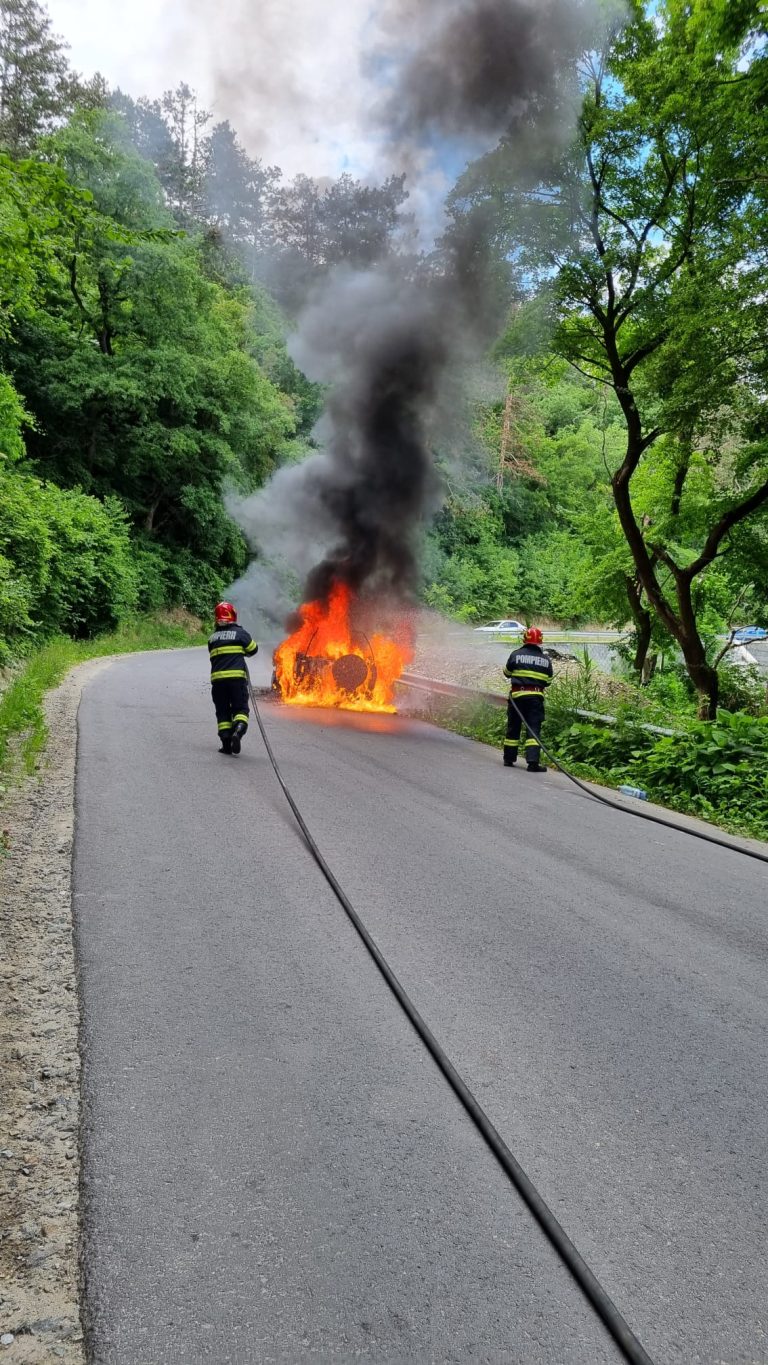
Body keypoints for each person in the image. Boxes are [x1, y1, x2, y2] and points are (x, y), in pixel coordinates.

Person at [208, 602, 258, 755]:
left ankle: (226, 745)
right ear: (233, 615)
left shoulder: (212, 638)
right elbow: (253, 649)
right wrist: (242, 651)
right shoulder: (240, 633)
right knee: (240, 709)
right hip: (236, 681)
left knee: (222, 712)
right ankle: (238, 731)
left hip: (218, 682)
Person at [502, 626, 553, 772]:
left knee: (513, 727)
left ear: (525, 639)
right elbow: (548, 681)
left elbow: (507, 673)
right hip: (535, 699)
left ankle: (509, 759)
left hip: (517, 698)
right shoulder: (546, 660)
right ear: (540, 641)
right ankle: (532, 763)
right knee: (533, 729)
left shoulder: (515, 654)